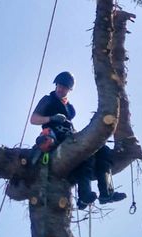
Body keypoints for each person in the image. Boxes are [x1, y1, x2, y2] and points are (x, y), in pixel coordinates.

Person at [30, 71, 126, 210]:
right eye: (59, 86)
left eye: (64, 88)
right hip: (56, 137)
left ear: (69, 90)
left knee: (103, 150)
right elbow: (34, 119)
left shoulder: (70, 108)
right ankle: (84, 195)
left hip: (70, 135)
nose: (60, 89)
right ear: (56, 85)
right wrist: (51, 119)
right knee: (85, 155)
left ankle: (106, 192)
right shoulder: (48, 99)